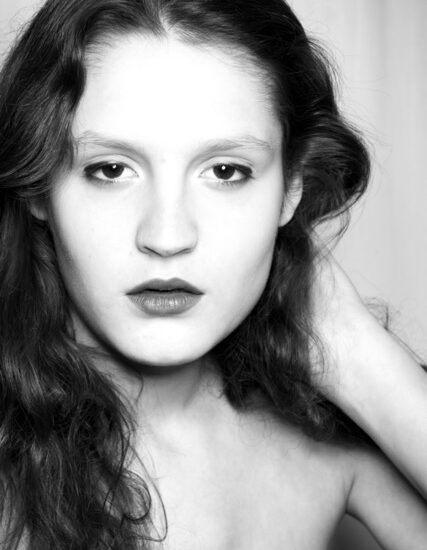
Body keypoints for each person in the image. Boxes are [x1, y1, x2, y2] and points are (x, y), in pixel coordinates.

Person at [0, 0, 426, 548]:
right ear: (38, 186)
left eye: (225, 171)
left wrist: (355, 350)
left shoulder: (329, 440)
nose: (167, 236)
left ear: (291, 189)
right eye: (111, 169)